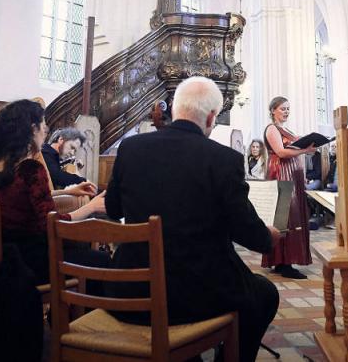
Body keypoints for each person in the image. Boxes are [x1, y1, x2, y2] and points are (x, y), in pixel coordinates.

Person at [105, 77, 280, 362]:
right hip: (196, 296)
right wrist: (268, 236)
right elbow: (249, 233)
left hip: (130, 291)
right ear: (211, 117)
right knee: (264, 294)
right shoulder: (223, 159)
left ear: (175, 109)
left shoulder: (131, 149)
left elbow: (113, 210)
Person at [0, 99, 108, 283]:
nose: (46, 129)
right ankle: (74, 310)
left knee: (84, 251)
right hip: (35, 262)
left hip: (9, 256)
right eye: (43, 123)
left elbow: (20, 199)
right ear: (32, 128)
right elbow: (53, 223)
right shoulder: (31, 168)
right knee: (102, 260)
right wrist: (91, 207)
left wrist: (71, 191)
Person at [262, 96, 315, 279]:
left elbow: (292, 151)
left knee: (294, 217)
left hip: (293, 175)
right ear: (273, 110)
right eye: (283, 108)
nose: (286, 111)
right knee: (285, 218)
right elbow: (282, 152)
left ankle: (283, 260)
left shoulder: (287, 130)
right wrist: (305, 151)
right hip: (282, 174)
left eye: (288, 109)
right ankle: (284, 263)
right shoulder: (272, 129)